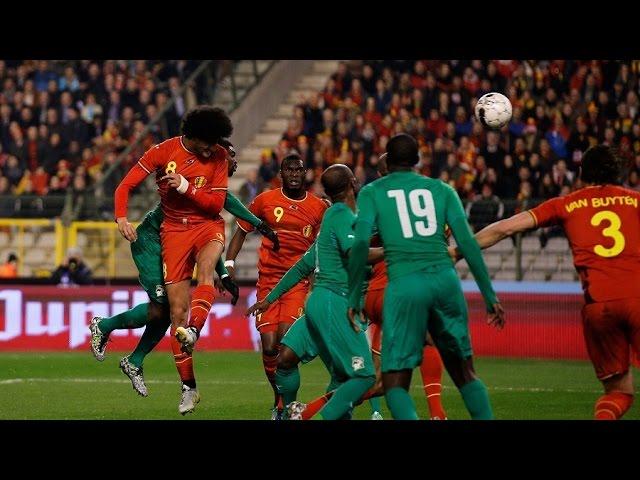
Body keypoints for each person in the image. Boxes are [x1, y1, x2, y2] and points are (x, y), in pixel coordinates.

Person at [452, 145, 639, 420]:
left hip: (600, 308)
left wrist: (458, 251)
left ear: (580, 173)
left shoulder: (566, 204)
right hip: (637, 299)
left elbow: (505, 228)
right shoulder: (634, 201)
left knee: (618, 393)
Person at [89, 141, 278, 398]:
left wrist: (222, 272)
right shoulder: (194, 171)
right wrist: (121, 216)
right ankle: (106, 327)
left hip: (176, 239)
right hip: (152, 241)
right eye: (230, 156)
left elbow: (205, 239)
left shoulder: (211, 182)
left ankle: (133, 360)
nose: (233, 162)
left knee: (168, 311)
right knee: (165, 308)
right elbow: (219, 208)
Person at [347, 133, 504, 420]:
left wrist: (355, 294)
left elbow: (359, 245)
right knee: (466, 373)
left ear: (388, 161)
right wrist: (490, 296)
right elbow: (467, 244)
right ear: (418, 161)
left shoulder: (372, 192)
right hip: (445, 282)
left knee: (394, 383)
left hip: (405, 285)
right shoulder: (442, 190)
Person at [113, 105, 233, 415]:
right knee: (176, 312)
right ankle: (189, 388)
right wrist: (121, 218)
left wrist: (184, 185)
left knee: (207, 271)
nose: (212, 149)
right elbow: (125, 185)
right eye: (208, 143)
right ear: (193, 137)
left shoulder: (219, 156)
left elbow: (215, 203)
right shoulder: (162, 152)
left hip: (207, 225)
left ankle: (195, 330)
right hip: (173, 232)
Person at [249, 164, 378, 420]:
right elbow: (346, 256)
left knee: (288, 360)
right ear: (353, 182)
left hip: (323, 303)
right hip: (335, 304)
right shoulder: (340, 215)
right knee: (362, 377)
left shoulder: (336, 216)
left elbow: (305, 263)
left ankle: (296, 414)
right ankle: (295, 413)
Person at [224, 153, 328, 418]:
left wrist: (316, 285)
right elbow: (241, 232)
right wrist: (229, 265)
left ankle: (285, 405)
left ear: (305, 174)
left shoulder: (319, 208)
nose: (294, 174)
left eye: (299, 170)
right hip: (268, 282)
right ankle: (279, 399)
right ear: (281, 174)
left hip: (297, 284)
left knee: (284, 344)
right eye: (289, 170)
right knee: (269, 346)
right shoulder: (265, 201)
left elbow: (320, 250)